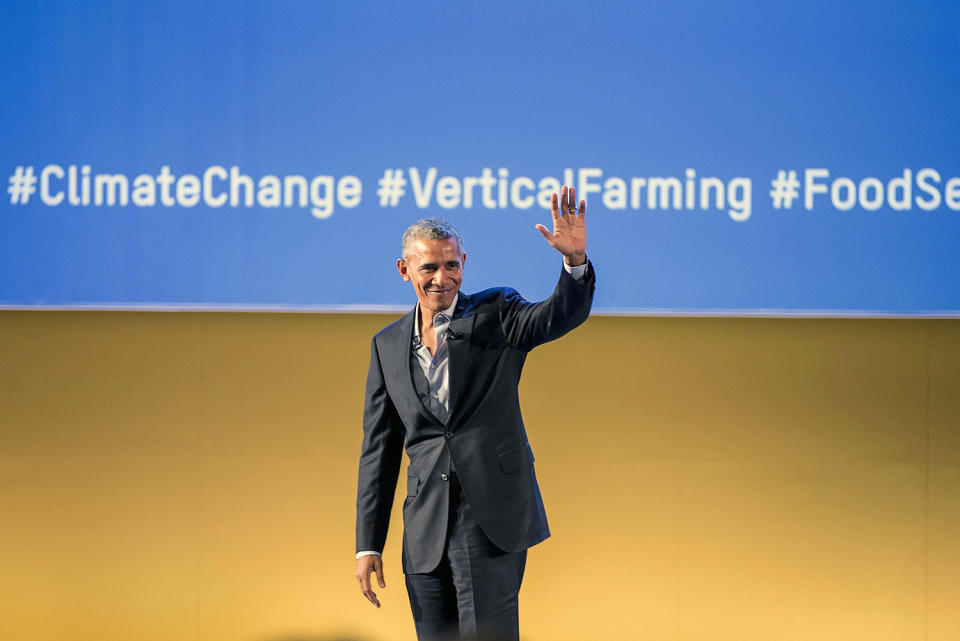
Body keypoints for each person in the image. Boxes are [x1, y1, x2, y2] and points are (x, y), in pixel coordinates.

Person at [355, 185, 595, 641]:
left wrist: (574, 264)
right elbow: (378, 453)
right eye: (429, 267)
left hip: (489, 518)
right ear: (405, 270)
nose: (442, 278)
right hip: (424, 525)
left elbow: (556, 316)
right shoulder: (386, 345)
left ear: (464, 264)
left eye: (452, 265)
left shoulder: (495, 312)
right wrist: (368, 543)